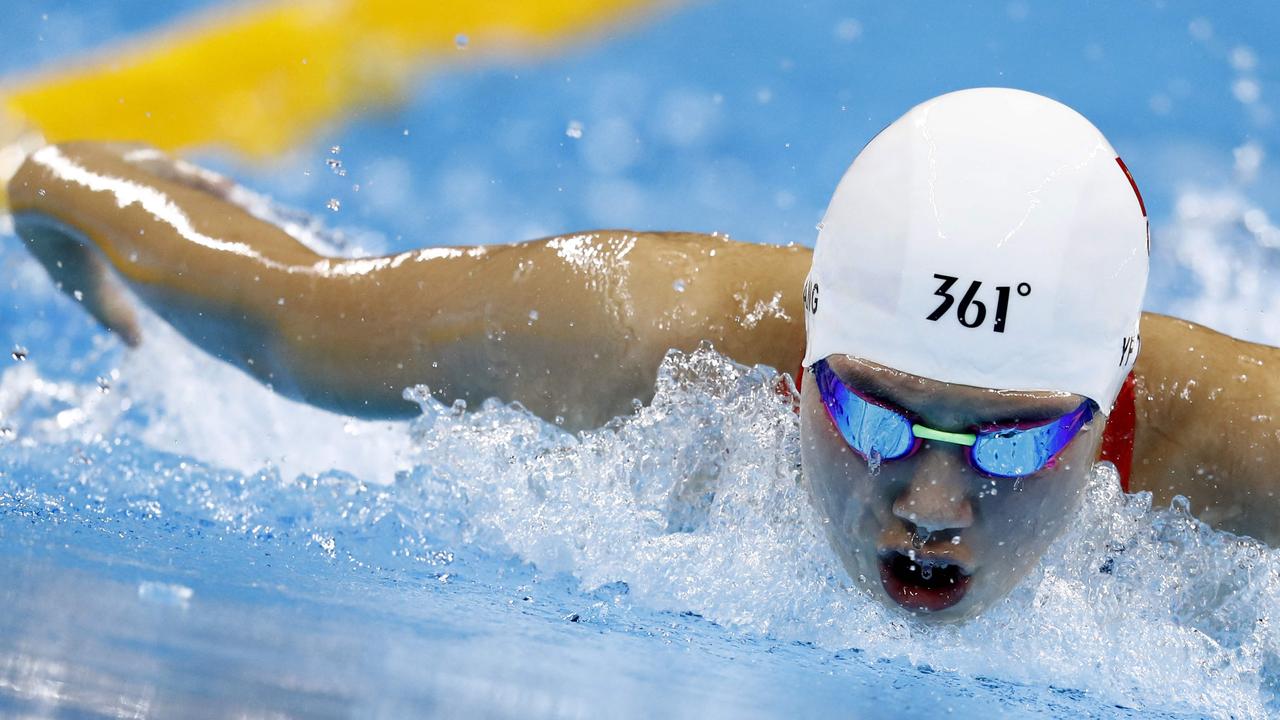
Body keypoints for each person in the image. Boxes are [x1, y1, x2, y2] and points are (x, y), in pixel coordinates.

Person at [7, 88, 1277, 621]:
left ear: (1107, 401)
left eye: (1008, 439)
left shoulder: (1237, 449)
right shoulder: (630, 329)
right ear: (808, 354)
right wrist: (36, 177)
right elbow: (281, 306)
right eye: (876, 418)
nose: (932, 502)